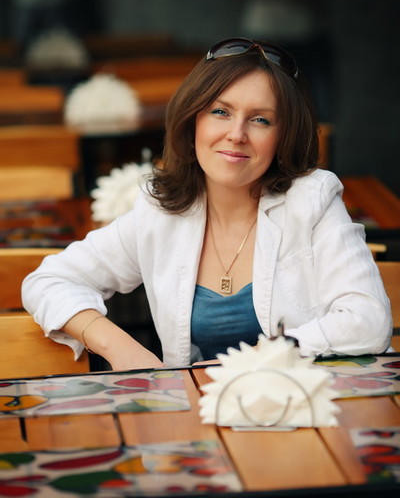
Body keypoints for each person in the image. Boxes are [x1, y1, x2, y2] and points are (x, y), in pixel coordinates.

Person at [22, 38, 392, 370]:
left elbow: (368, 321)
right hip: (200, 412)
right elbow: (48, 280)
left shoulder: (312, 199)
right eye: (221, 112)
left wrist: (259, 360)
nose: (236, 134)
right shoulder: (161, 211)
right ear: (192, 122)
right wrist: (119, 347)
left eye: (260, 120)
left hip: (303, 403)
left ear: (283, 137)